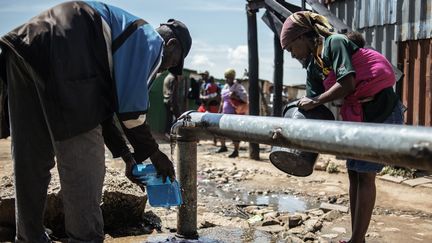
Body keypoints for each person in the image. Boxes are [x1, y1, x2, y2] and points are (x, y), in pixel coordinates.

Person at [0, 1, 191, 242]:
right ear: (171, 44)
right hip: (68, 50)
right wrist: (155, 154)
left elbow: (102, 112)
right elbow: (131, 112)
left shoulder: (119, 42)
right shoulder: (149, 40)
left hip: (23, 46)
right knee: (84, 163)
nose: (166, 68)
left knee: (31, 157)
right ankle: (85, 238)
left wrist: (128, 158)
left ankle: (29, 237)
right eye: (173, 62)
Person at [280, 11, 403, 243]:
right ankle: (358, 238)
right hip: (358, 115)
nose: (292, 55)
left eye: (290, 49)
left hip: (381, 110)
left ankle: (357, 240)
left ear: (302, 37)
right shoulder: (313, 67)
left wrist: (315, 101)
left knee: (366, 175)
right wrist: (287, 133)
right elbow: (310, 108)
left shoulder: (334, 43)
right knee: (354, 174)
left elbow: (347, 83)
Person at [217, 68, 249, 158]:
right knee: (220, 130)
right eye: (226, 77)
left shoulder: (238, 87)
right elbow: (222, 101)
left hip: (234, 113)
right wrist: (219, 111)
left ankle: (236, 150)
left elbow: (245, 99)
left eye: (229, 77)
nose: (228, 79)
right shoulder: (225, 87)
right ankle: (223, 146)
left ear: (233, 77)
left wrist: (236, 96)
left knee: (234, 133)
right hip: (224, 113)